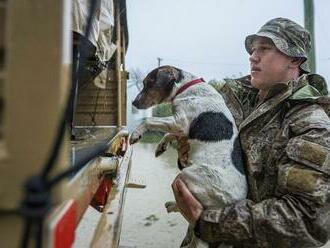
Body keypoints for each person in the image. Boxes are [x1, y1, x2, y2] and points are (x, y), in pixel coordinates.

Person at [172, 17, 330, 247]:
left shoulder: (310, 124)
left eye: (264, 48)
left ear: (295, 59)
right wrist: (187, 155)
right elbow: (208, 159)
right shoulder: (230, 100)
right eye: (253, 49)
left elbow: (305, 219)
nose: (253, 56)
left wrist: (207, 222)